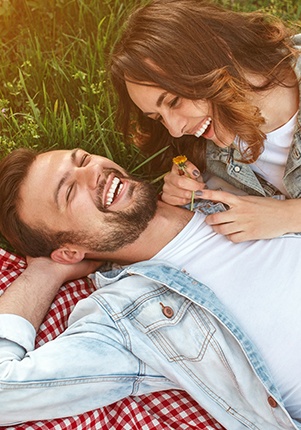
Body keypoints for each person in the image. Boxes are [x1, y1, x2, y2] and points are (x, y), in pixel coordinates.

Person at [0, 147, 300, 429]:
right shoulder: (126, 320)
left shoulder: (219, 179)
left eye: (83, 159)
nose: (93, 172)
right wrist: (44, 272)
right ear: (68, 251)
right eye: (69, 192)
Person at [110, 0, 301, 243]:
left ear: (215, 55)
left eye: (174, 101)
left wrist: (288, 216)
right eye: (158, 118)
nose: (176, 130)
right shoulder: (208, 151)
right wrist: (180, 189)